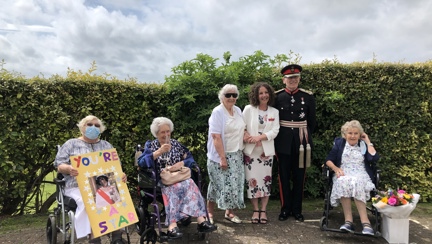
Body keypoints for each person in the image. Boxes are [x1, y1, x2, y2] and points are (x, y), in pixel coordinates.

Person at [137, 117, 216, 239]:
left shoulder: (176, 144)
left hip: (179, 177)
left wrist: (182, 163)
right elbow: (141, 162)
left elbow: (190, 159)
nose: (166, 134)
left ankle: (201, 221)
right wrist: (158, 152)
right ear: (156, 133)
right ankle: (172, 226)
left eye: (168, 131)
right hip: (162, 181)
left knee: (190, 183)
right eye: (162, 132)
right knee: (175, 187)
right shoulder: (151, 146)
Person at [54, 115, 127, 244]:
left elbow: (116, 167)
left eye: (97, 125)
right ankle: (94, 237)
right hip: (77, 186)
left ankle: (117, 236)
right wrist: (69, 168)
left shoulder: (106, 145)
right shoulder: (71, 144)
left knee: (115, 196)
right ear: (82, 127)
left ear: (101, 129)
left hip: (103, 185)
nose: (93, 127)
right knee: (89, 200)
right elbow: (59, 165)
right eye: (89, 124)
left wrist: (121, 175)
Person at [274, 64, 316, 222]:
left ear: (299, 79)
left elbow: (311, 122)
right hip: (283, 141)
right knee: (283, 176)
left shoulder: (308, 97)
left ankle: (297, 210)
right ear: (284, 80)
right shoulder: (277, 97)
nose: (293, 80)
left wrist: (303, 135)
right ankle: (285, 209)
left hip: (301, 141)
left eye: (296, 78)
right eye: (290, 78)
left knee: (300, 177)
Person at [325, 120, 379, 235]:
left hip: (361, 173)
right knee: (343, 181)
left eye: (356, 133)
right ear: (345, 134)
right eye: (350, 133)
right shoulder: (340, 143)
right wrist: (336, 168)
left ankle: (366, 223)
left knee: (357, 181)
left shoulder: (363, 145)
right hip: (344, 172)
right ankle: (348, 222)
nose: (353, 136)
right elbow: (328, 160)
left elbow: (373, 158)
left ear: (360, 135)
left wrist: (368, 141)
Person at [206, 84, 246, 224]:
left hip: (236, 154)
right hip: (220, 156)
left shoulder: (238, 110)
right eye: (228, 95)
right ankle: (209, 213)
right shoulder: (218, 112)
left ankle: (229, 213)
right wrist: (222, 158)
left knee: (233, 185)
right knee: (216, 184)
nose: (231, 98)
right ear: (222, 97)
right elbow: (216, 136)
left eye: (234, 95)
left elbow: (242, 129)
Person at [243, 82, 280, 224]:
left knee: (265, 181)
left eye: (266, 93)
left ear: (269, 94)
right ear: (256, 95)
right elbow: (242, 126)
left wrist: (260, 137)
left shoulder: (274, 112)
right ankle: (255, 210)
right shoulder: (248, 109)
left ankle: (263, 210)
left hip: (266, 152)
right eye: (260, 93)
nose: (264, 95)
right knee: (252, 182)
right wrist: (247, 136)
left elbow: (275, 131)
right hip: (251, 152)